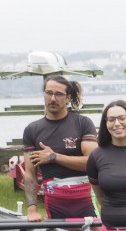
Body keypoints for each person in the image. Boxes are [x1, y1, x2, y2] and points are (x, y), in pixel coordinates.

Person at [22, 76, 97, 221]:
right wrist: (32, 210)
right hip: (55, 204)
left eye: (58, 94)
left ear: (68, 98)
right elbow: (30, 174)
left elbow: (93, 163)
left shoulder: (82, 123)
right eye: (48, 93)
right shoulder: (32, 130)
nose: (52, 99)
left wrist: (53, 157)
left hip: (86, 201)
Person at [86, 101, 126, 229]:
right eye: (111, 120)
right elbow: (100, 196)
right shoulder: (96, 156)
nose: (117, 124)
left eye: (122, 118)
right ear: (105, 124)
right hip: (111, 229)